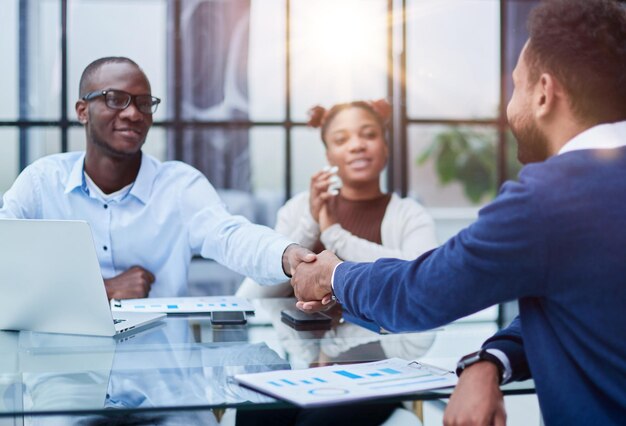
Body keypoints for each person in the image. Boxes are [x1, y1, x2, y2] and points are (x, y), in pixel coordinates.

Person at [291, 0, 626, 424]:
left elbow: (419, 293)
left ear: (543, 92)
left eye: (515, 87)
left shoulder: (547, 201)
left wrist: (332, 274)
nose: (509, 106)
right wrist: (491, 360)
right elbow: (584, 306)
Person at [0, 57, 314, 299]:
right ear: (83, 111)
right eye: (115, 99)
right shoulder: (42, 183)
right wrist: (103, 291)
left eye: (143, 103)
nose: (133, 113)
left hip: (162, 375)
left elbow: (230, 236)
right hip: (60, 373)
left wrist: (287, 256)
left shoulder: (179, 186)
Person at [236, 100, 437, 298]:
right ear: (329, 156)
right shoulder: (298, 208)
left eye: (369, 135)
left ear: (385, 147)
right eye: (341, 140)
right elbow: (251, 296)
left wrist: (335, 236)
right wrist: (311, 224)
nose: (357, 146)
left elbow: (424, 280)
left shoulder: (410, 213)